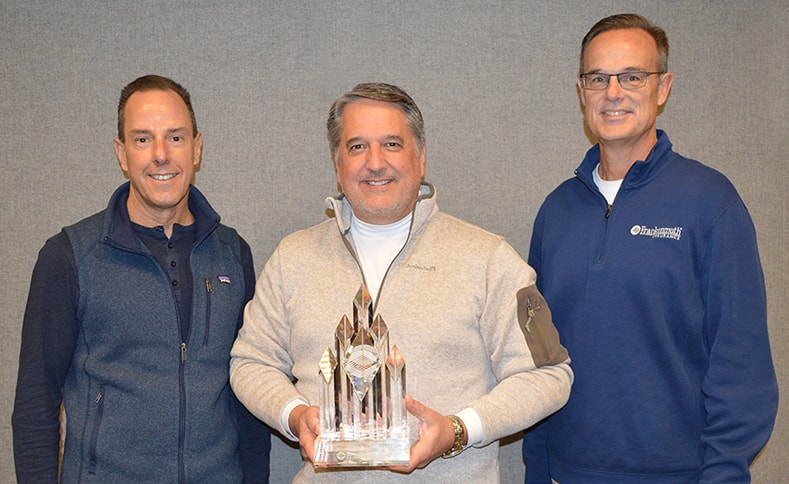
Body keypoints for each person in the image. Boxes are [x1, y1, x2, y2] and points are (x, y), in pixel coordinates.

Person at [230, 82, 573, 482]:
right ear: (337, 164)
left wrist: (459, 430)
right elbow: (250, 362)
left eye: (392, 144)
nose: (375, 162)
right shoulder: (293, 258)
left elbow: (549, 374)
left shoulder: (488, 258)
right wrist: (294, 416)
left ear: (421, 157)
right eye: (357, 147)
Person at [522, 13, 778, 483]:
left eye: (632, 76)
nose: (613, 92)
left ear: (663, 88)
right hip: (568, 473)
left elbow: (740, 366)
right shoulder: (556, 212)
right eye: (597, 78)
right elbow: (540, 358)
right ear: (582, 92)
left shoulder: (710, 202)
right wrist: (538, 471)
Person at [12, 74, 271, 483]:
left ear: (197, 147)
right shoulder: (70, 257)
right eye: (143, 139)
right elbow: (35, 403)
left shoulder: (233, 254)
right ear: (121, 153)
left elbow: (248, 388)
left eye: (176, 137)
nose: (161, 155)